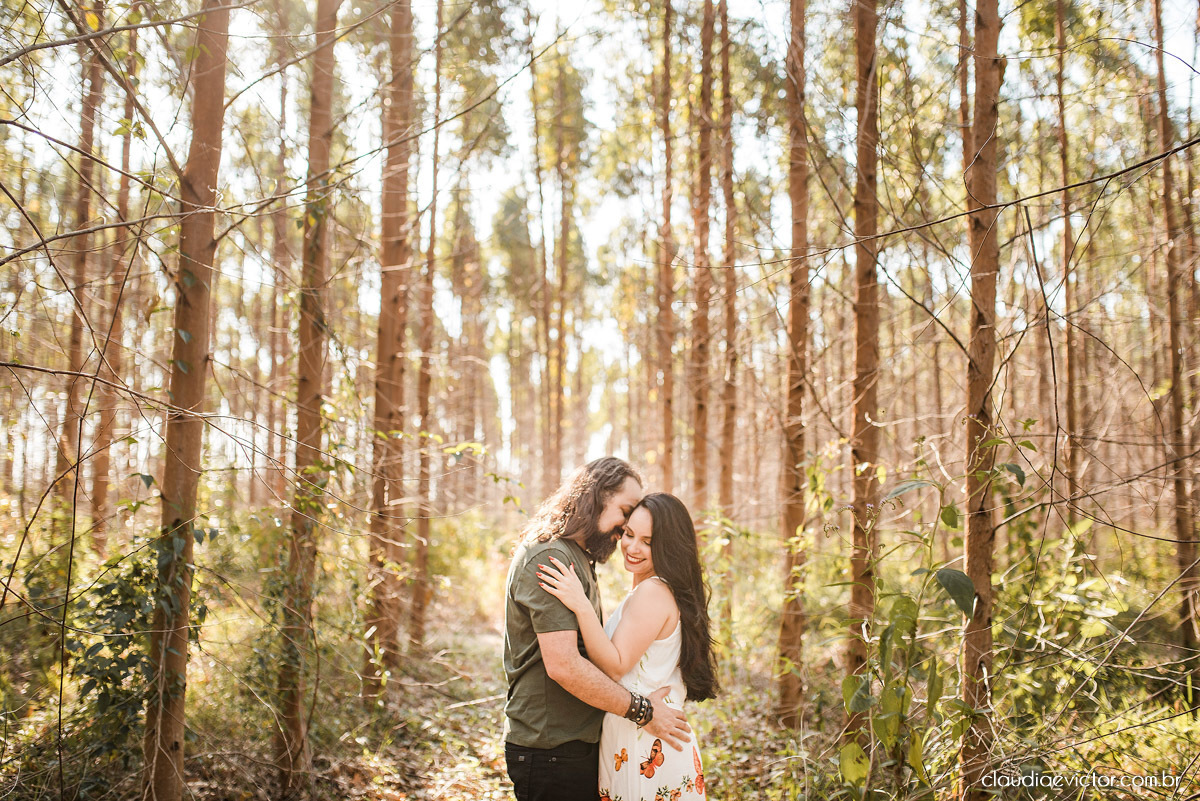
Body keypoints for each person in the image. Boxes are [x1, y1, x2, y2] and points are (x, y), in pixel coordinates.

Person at [503, 458, 692, 801]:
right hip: (552, 747)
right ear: (594, 496)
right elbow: (564, 665)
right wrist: (643, 710)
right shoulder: (551, 556)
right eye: (625, 513)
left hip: (577, 744)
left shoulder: (578, 557)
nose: (625, 530)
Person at [538, 492, 718, 801]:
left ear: (669, 546)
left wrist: (580, 604)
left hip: (647, 743)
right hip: (643, 733)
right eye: (629, 534)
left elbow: (615, 666)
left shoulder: (654, 591)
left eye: (647, 541)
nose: (632, 547)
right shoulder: (656, 589)